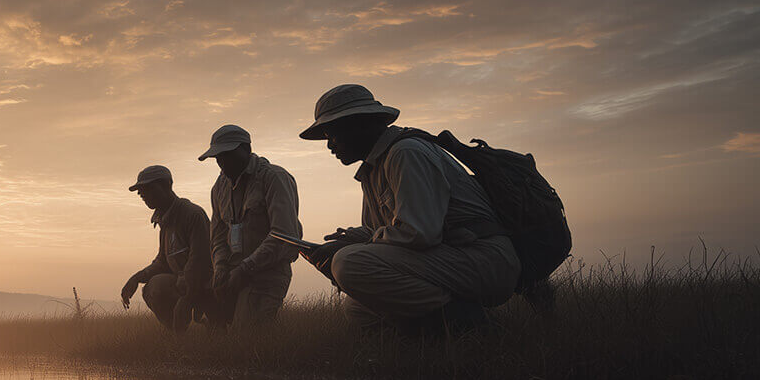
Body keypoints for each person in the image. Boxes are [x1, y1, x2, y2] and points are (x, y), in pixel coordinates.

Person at [298, 84, 520, 332]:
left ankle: (474, 326)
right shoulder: (373, 170)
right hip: (450, 257)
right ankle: (434, 338)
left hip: (482, 258)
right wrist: (347, 240)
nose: (330, 147)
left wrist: (347, 250)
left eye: (332, 135)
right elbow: (381, 231)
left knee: (348, 264)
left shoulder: (406, 153)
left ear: (358, 124)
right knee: (357, 308)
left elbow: (418, 233)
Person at [197, 125, 302, 326]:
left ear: (246, 149)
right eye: (217, 157)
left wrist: (245, 269)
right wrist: (219, 268)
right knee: (193, 290)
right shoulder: (219, 187)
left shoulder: (274, 178)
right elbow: (218, 237)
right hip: (232, 269)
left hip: (268, 270)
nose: (222, 162)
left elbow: (284, 236)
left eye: (228, 154)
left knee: (247, 335)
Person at [120, 165, 214, 330]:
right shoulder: (164, 220)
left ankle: (205, 324)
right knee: (153, 287)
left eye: (147, 188)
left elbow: (200, 261)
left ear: (166, 186)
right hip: (184, 285)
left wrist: (186, 300)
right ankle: (178, 334)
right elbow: (163, 261)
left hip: (206, 286)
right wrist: (137, 278)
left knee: (160, 287)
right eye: (140, 190)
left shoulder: (192, 214)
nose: (141, 194)